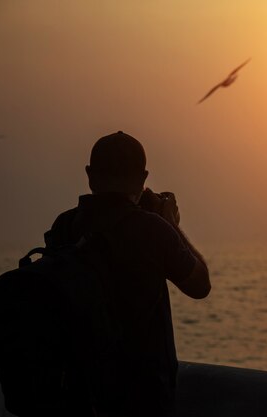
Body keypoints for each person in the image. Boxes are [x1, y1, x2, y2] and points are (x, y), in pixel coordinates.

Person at [44, 131, 211, 417]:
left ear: (90, 175)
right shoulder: (153, 230)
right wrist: (170, 224)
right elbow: (200, 285)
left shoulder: (64, 226)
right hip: (142, 398)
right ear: (143, 179)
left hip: (76, 395)